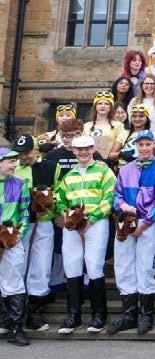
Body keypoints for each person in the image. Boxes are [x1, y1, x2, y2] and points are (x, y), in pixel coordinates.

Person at [108, 131, 155, 335]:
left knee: (145, 265)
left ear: (153, 144)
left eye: (147, 144)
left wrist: (144, 224)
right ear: (136, 145)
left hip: (147, 223)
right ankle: (129, 315)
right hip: (125, 222)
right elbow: (117, 195)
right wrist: (124, 206)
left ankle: (146, 315)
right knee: (123, 264)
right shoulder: (125, 169)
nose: (144, 148)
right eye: (140, 144)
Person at [54, 135, 116, 334]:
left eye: (87, 149)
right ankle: (73, 315)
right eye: (79, 150)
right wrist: (66, 215)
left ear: (92, 149)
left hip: (95, 223)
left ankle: (99, 316)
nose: (83, 153)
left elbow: (110, 196)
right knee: (71, 264)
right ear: (74, 151)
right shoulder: (69, 175)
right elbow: (59, 198)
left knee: (94, 264)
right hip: (73, 224)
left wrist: (93, 218)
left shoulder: (104, 171)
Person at [11, 135, 55, 334]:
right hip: (18, 225)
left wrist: (50, 206)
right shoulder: (12, 168)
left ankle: (34, 312)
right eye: (20, 153)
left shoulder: (50, 167)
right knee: (17, 266)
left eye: (27, 152)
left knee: (41, 266)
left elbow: (59, 191)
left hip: (43, 224)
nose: (23, 156)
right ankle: (13, 314)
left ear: (36, 149)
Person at [0, 146, 31, 346]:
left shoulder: (20, 184)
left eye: (15, 161)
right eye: (11, 161)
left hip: (11, 240)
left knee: (13, 281)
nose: (15, 164)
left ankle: (16, 329)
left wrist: (17, 235)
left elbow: (25, 213)